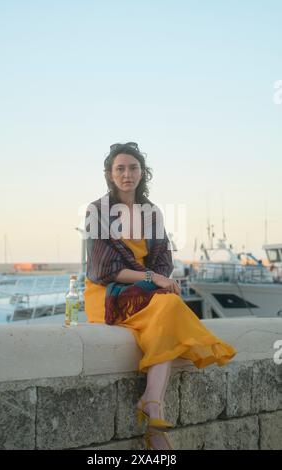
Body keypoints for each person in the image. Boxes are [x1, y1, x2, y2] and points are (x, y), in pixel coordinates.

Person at [84, 142, 237, 450]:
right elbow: (104, 268)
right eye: (120, 168)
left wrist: (158, 279)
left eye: (133, 168)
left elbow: (163, 260)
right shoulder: (97, 210)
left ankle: (153, 406)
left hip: (144, 292)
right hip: (108, 294)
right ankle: (152, 408)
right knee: (168, 305)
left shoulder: (152, 212)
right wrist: (154, 279)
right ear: (109, 174)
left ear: (143, 172)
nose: (127, 174)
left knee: (166, 308)